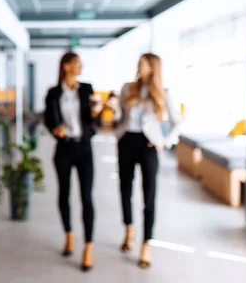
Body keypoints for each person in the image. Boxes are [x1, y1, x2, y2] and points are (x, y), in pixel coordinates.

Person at [110, 53, 183, 269]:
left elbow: (178, 122)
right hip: (126, 141)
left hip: (149, 145)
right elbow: (119, 119)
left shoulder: (163, 93)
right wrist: (114, 113)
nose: (138, 66)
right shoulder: (126, 88)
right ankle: (129, 230)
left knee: (149, 195)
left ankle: (146, 243)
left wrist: (164, 142)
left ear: (152, 68)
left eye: (142, 63)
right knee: (125, 190)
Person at [43, 51, 102, 272]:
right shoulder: (53, 93)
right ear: (66, 66)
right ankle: (69, 234)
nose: (80, 67)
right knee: (64, 193)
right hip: (64, 148)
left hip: (84, 147)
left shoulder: (87, 89)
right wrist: (54, 130)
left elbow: (92, 118)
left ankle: (88, 246)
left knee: (87, 196)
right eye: (77, 63)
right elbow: (49, 120)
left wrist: (96, 114)